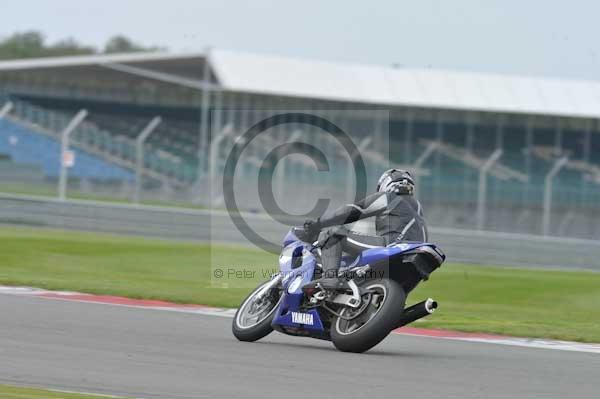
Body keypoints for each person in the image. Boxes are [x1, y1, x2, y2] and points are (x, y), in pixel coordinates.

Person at [303, 169, 428, 288]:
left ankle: (329, 278)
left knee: (332, 235)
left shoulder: (389, 197)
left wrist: (317, 224)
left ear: (386, 183)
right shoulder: (418, 207)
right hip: (417, 259)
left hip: (393, 245)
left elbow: (352, 211)